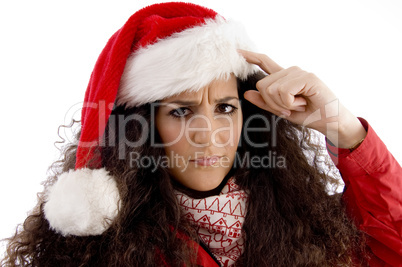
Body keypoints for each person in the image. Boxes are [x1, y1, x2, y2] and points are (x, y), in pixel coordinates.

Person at [1, 2, 401, 266]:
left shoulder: (309, 224)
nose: (208, 135)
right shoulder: (94, 253)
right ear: (141, 128)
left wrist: (344, 129)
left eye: (225, 108)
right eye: (180, 111)